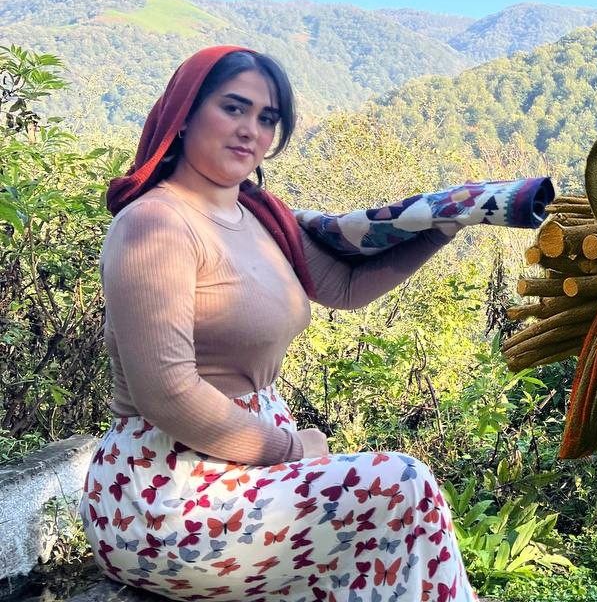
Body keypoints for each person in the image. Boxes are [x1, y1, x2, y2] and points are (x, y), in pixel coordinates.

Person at [80, 46, 478, 601]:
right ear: (185, 113)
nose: (251, 130)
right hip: (164, 490)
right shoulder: (154, 225)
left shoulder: (261, 216)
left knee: (391, 542)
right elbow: (166, 394)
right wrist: (290, 448)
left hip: (241, 468)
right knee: (402, 485)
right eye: (234, 108)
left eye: (267, 118)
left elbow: (342, 288)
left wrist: (440, 227)